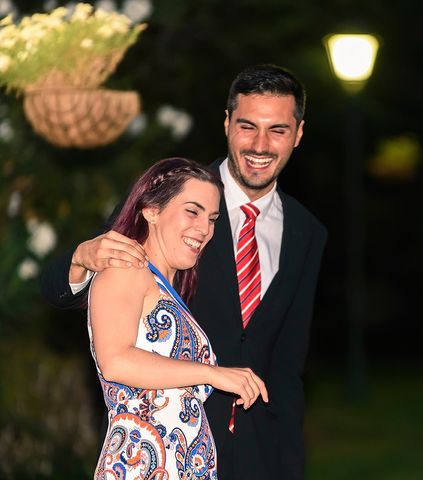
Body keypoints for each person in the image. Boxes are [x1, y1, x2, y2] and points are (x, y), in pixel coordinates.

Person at [41, 64, 327, 480]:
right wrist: (82, 256)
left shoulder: (308, 232)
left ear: (298, 134)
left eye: (278, 130)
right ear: (227, 124)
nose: (260, 144)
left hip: (256, 455)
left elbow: (287, 368)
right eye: (247, 126)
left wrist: (288, 466)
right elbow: (68, 291)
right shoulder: (174, 198)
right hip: (160, 449)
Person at [86, 157, 268, 479]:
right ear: (151, 210)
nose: (205, 229)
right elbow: (115, 360)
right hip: (139, 465)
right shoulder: (125, 269)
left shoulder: (165, 289)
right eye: (192, 211)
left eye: (212, 218)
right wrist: (213, 374)